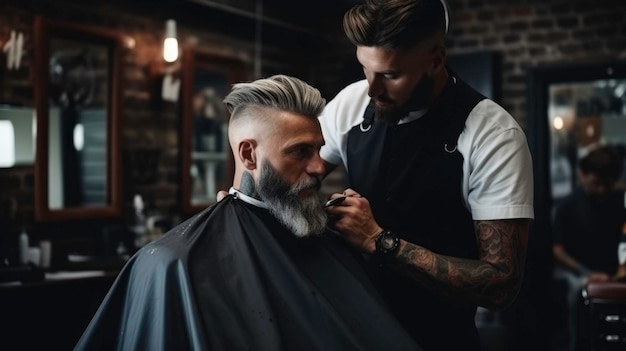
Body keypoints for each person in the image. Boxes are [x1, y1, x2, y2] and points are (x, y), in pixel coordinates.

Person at [74, 75, 421, 351]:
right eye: (300, 152)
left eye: (319, 150)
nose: (319, 167)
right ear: (249, 156)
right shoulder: (172, 263)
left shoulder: (335, 241)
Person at [318, 0, 534, 350]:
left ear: (435, 60)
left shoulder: (492, 136)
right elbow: (298, 169)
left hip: (439, 341)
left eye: (390, 75)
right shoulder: (352, 103)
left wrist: (380, 241)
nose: (372, 90)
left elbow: (502, 284)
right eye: (364, 69)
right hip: (351, 333)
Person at [552, 144, 626, 351]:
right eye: (597, 183)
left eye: (608, 184)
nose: (602, 189)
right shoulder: (567, 206)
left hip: (615, 272)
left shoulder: (620, 202)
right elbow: (557, 251)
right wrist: (589, 274)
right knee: (579, 293)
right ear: (582, 174)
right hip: (578, 272)